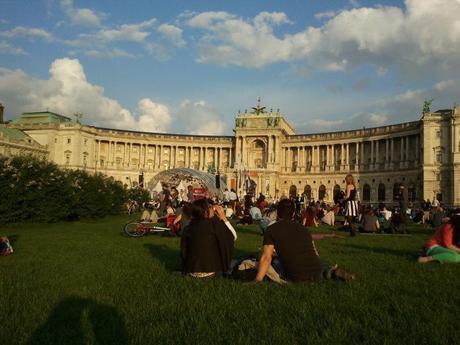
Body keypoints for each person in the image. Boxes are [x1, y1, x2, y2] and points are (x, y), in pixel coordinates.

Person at [254, 199, 354, 282]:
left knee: (274, 261)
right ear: (293, 214)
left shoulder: (271, 229)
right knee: (316, 265)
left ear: (278, 213)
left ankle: (328, 272)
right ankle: (330, 271)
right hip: (316, 268)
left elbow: (266, 257)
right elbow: (314, 252)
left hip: (296, 275)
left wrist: (257, 280)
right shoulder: (303, 228)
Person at [180, 199, 237, 277]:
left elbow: (184, 250)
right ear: (205, 211)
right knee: (236, 262)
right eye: (210, 207)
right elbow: (232, 237)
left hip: (191, 270)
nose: (212, 209)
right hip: (211, 270)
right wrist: (223, 218)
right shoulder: (214, 224)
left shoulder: (188, 228)